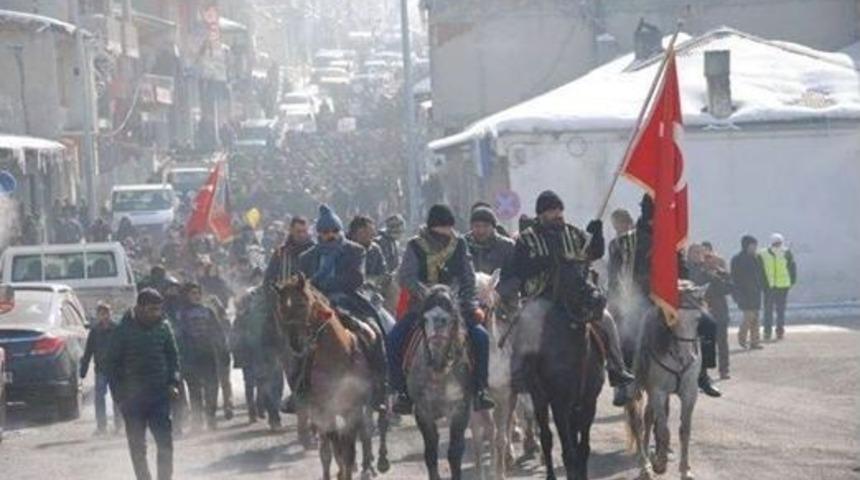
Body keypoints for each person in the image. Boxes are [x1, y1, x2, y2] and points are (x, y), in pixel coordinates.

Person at [501, 190, 634, 404]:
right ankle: (519, 373)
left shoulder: (573, 233)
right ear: (541, 214)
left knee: (607, 320)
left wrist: (597, 235)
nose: (557, 214)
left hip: (576, 294)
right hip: (542, 295)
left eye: (559, 210)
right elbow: (520, 268)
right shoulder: (527, 239)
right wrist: (548, 261)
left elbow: (594, 253)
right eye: (552, 211)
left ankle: (617, 369)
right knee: (526, 322)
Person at [388, 204, 496, 414]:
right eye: (443, 227)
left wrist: (467, 302)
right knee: (393, 339)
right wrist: (427, 294)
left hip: (455, 306)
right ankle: (400, 391)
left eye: (449, 227)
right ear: (432, 227)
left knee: (481, 337)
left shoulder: (459, 244)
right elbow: (406, 277)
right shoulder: (415, 245)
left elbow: (468, 277)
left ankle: (481, 389)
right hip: (422, 306)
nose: (447, 232)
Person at [292, 204, 388, 412]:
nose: (331, 235)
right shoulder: (306, 257)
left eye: (335, 231)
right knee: (299, 340)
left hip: (349, 301)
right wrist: (316, 291)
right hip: (318, 306)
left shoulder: (355, 251)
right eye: (326, 232)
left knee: (374, 333)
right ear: (319, 234)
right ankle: (299, 390)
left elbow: (355, 279)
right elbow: (303, 285)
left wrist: (322, 284)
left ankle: (381, 388)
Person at [106, 289, 180, 480]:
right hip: (132, 399)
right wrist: (119, 397)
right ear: (139, 308)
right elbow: (112, 365)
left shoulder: (164, 327)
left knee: (165, 443)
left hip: (159, 396)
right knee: (138, 447)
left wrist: (173, 382)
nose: (156, 313)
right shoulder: (122, 331)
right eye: (151, 309)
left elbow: (173, 357)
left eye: (158, 309)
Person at [606, 208, 646, 404]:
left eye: (619, 225)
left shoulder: (642, 239)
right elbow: (614, 276)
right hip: (627, 299)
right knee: (618, 337)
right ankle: (621, 383)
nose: (617, 229)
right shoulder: (616, 244)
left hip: (647, 296)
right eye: (615, 226)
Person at [175, 283, 227, 431]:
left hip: (208, 354)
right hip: (190, 356)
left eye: (198, 293)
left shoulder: (208, 312)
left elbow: (218, 332)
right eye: (193, 293)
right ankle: (197, 422)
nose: (196, 296)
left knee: (212, 387)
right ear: (186, 295)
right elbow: (178, 336)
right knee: (195, 389)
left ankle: (211, 417)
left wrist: (223, 350)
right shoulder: (181, 314)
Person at [688, 243, 734, 380]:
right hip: (698, 312)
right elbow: (695, 283)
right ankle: (703, 374)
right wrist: (708, 273)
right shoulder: (687, 270)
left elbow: (729, 288)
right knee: (703, 343)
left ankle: (724, 369)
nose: (698, 256)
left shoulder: (714, 269)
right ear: (689, 255)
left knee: (722, 341)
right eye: (695, 252)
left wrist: (720, 272)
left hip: (718, 310)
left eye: (701, 253)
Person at [465, 205, 518, 317]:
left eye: (485, 226)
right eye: (477, 226)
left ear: (493, 227)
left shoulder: (507, 246)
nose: (481, 231)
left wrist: (498, 292)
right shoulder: (463, 245)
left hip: (502, 303)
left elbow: (515, 277)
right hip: (470, 301)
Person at [80, 303, 122, 434]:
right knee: (99, 398)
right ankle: (101, 426)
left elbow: (125, 349)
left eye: (106, 313)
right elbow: (88, 351)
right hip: (101, 369)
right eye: (101, 314)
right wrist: (83, 369)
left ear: (110, 314)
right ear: (98, 315)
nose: (104, 317)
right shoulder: (95, 332)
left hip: (116, 370)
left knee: (117, 398)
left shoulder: (117, 329)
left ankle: (119, 425)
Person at [759, 233, 797, 341]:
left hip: (776, 286)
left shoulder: (784, 252)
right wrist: (792, 281)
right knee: (775, 310)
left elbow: (792, 267)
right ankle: (774, 332)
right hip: (775, 286)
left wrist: (791, 281)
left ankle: (772, 332)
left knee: (772, 310)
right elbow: (792, 268)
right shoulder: (765, 253)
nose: (777, 245)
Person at [731, 235, 765, 350]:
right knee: (748, 317)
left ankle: (755, 342)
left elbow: (762, 274)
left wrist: (763, 286)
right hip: (744, 292)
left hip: (756, 292)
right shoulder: (737, 259)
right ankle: (742, 339)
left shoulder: (757, 258)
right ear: (746, 245)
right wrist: (736, 293)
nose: (755, 248)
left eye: (755, 245)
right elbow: (734, 278)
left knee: (756, 318)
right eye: (752, 245)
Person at [264, 216, 314, 287]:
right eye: (298, 231)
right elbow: (268, 280)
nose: (301, 235)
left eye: (304, 231)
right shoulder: (281, 252)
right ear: (291, 230)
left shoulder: (315, 252)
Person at [348, 215, 388, 288]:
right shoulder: (343, 249)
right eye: (366, 232)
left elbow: (382, 272)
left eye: (372, 233)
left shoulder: (375, 250)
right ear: (354, 233)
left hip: (371, 288)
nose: (371, 236)